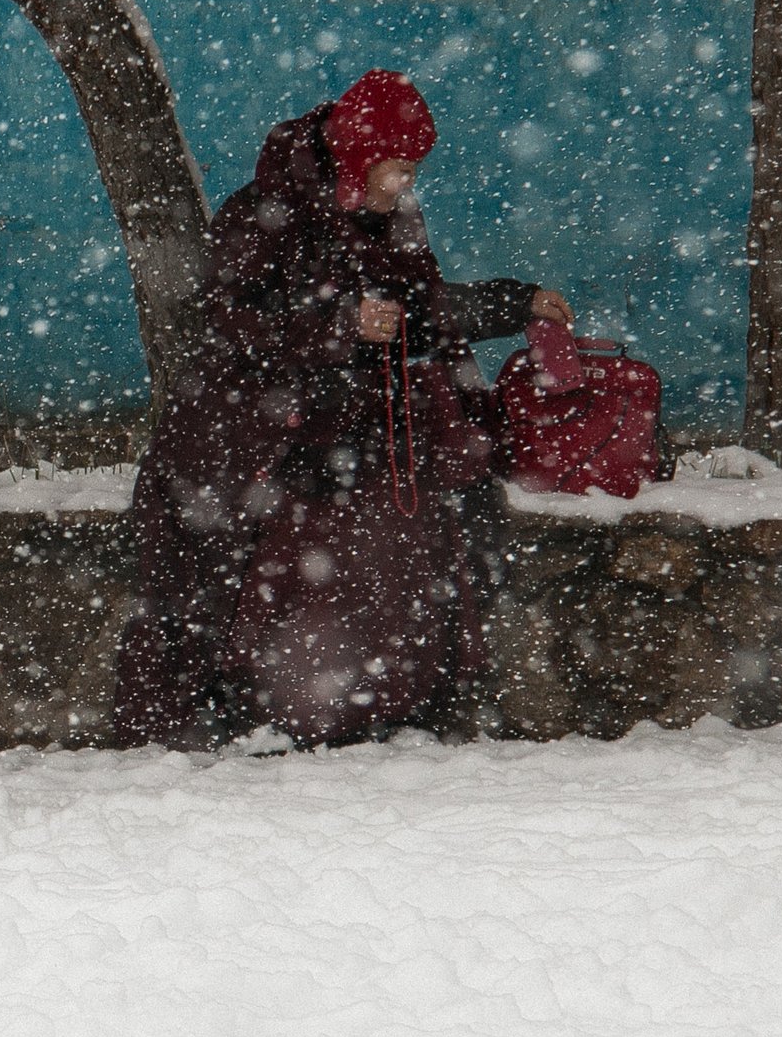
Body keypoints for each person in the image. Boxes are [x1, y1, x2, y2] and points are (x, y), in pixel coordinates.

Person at [109, 70, 572, 750]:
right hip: (250, 434)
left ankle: (351, 708)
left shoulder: (390, 218)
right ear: (357, 156)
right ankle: (240, 714)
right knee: (219, 584)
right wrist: (338, 326)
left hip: (341, 435)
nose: (403, 186)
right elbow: (227, 321)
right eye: (394, 169)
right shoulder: (267, 213)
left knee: (393, 555)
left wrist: (514, 301)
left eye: (412, 170)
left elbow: (422, 307)